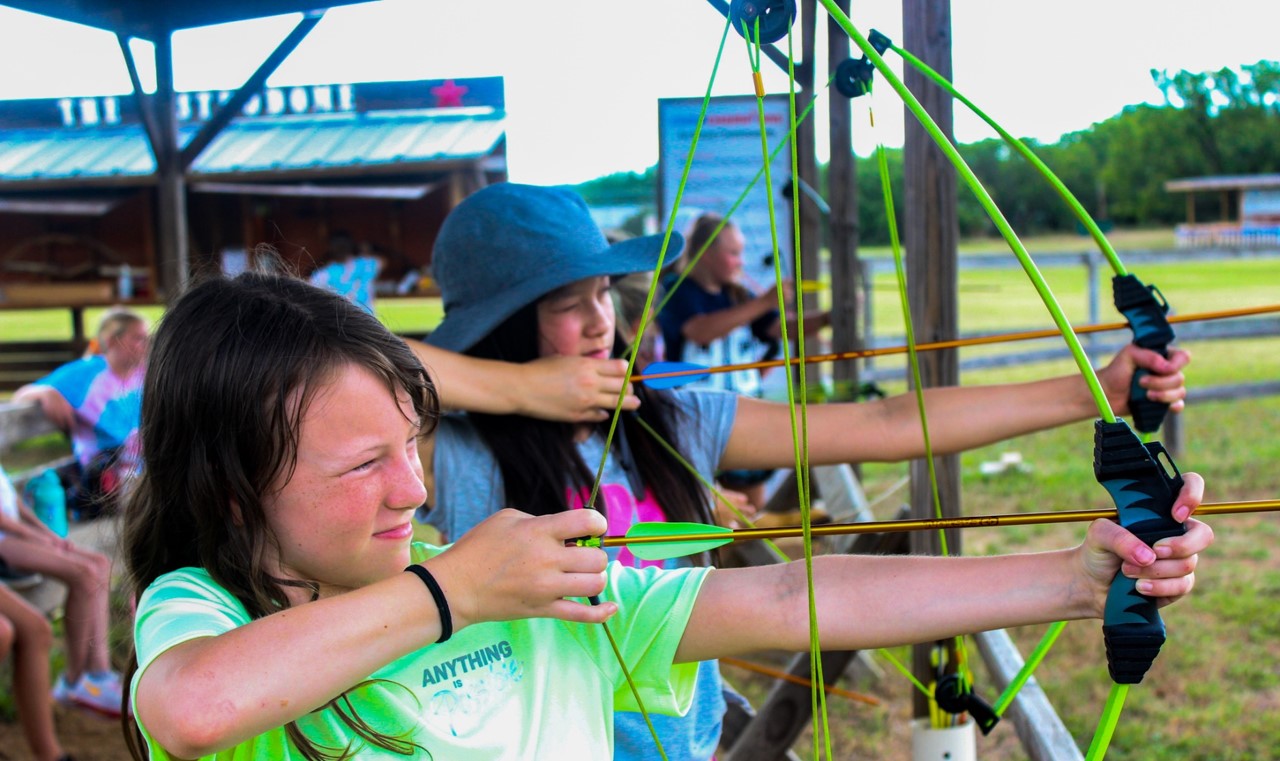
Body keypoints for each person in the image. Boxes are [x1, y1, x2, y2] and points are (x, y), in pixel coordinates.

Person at [121, 267, 1210, 761]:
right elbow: (194, 704)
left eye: (412, 441)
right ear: (232, 488)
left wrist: (1077, 578)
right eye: (368, 462)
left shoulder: (539, 560)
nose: (411, 485)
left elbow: (786, 590)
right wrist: (456, 584)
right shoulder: (205, 609)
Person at [415, 183, 1198, 760]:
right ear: (503, 327)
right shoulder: (457, 455)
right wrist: (514, 391)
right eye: (564, 304)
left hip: (687, 739)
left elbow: (888, 424)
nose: (602, 324)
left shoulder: (661, 418)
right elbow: (316, 357)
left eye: (603, 294)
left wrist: (1091, 389)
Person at [658, 213, 831, 512]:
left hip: (745, 416)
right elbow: (700, 330)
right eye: (733, 253)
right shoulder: (677, 290)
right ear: (706, 253)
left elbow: (779, 328)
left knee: (752, 514)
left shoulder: (739, 295)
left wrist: (829, 318)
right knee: (707, 515)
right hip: (695, 422)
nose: (740, 261)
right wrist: (763, 302)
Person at [0, 463, 123, 724]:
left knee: (99, 564)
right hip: (5, 543)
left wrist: (47, 534)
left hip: (19, 535)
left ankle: (99, 673)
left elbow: (14, 503)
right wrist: (35, 536)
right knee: (83, 573)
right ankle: (74, 681)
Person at [13, 308, 148, 519]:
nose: (146, 345)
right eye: (138, 338)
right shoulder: (86, 375)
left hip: (144, 475)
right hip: (104, 486)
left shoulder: (144, 374)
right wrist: (45, 392)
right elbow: (21, 396)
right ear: (112, 341)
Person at [309, 231, 384, 314]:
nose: (341, 247)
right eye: (338, 244)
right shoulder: (322, 275)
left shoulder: (366, 264)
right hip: (344, 323)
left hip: (366, 321)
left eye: (343, 244)